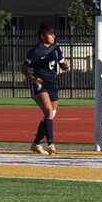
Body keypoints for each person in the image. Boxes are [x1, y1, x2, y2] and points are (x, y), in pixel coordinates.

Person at [21, 24, 69, 155]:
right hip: (39, 83)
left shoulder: (56, 49)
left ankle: (36, 144)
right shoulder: (35, 51)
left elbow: (62, 65)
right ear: (42, 36)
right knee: (48, 111)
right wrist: (32, 78)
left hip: (52, 83)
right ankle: (51, 144)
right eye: (50, 33)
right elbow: (23, 68)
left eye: (54, 33)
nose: (53, 36)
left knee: (50, 115)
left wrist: (65, 65)